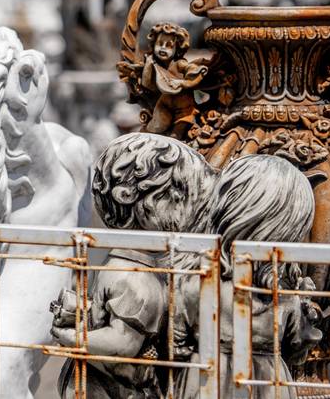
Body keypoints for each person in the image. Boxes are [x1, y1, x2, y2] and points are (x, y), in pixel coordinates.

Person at [50, 132, 217, 399]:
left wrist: (76, 332)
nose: (187, 208)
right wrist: (73, 337)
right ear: (131, 198)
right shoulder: (134, 276)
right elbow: (122, 342)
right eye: (177, 195)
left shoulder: (122, 264)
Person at [171, 153, 320, 399]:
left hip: (205, 377)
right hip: (268, 383)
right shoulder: (284, 296)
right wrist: (306, 311)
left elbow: (175, 342)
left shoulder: (197, 282)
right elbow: (297, 351)